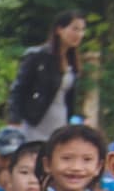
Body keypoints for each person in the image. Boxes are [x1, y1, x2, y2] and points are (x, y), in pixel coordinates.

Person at [8, 10, 85, 142]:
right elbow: (19, 88)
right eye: (75, 29)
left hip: (60, 121)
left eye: (82, 30)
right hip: (36, 120)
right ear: (59, 30)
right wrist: (15, 120)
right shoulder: (38, 56)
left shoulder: (72, 62)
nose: (79, 34)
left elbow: (69, 98)